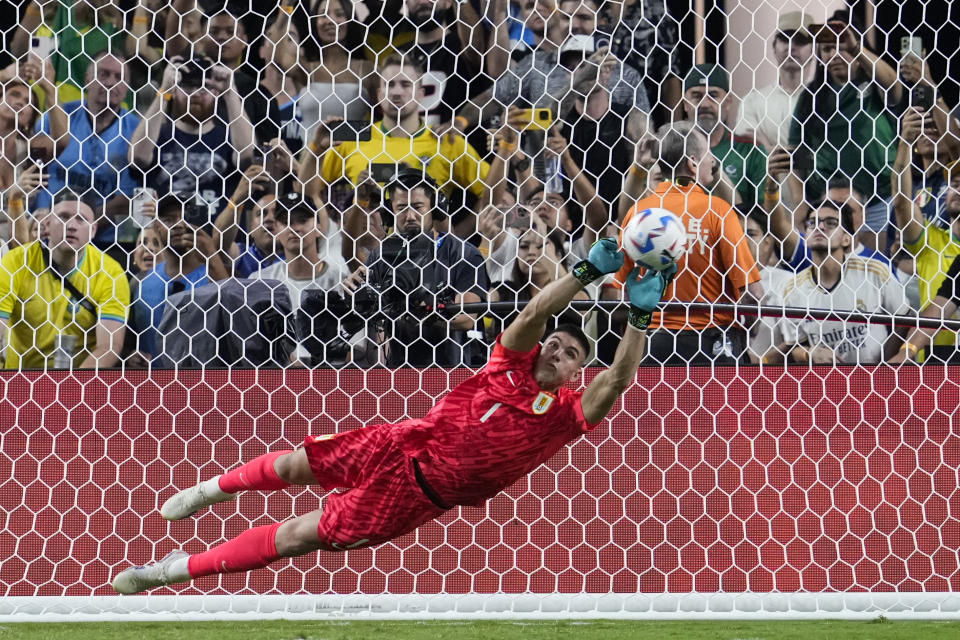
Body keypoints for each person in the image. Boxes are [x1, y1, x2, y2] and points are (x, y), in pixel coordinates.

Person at [110, 236, 675, 594]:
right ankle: (211, 490)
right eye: (556, 343)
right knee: (294, 466)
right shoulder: (511, 358)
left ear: (580, 370)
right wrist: (580, 272)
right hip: (404, 440)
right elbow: (533, 311)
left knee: (298, 536)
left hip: (418, 494)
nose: (557, 351)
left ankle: (170, 572)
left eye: (572, 353)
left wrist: (640, 319)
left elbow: (620, 379)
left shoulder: (567, 414)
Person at [613, 121, 763, 365]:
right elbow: (753, 295)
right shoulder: (718, 212)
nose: (713, 163)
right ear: (693, 163)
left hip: (654, 347)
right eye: (709, 156)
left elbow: (617, 288)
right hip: (712, 346)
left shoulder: (639, 213)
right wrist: (749, 330)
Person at [310, 55, 489, 237]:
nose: (396, 92)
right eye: (389, 85)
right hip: (363, 254)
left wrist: (458, 237)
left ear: (421, 94)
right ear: (379, 95)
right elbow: (307, 192)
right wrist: (316, 149)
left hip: (427, 257)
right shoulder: (354, 135)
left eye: (405, 85)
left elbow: (494, 191)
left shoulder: (444, 140)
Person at [341, 170, 489, 367]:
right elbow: (370, 314)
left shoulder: (464, 253)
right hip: (400, 369)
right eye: (401, 208)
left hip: (456, 369)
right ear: (390, 211)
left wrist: (417, 311)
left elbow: (466, 318)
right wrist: (356, 294)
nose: (410, 216)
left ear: (434, 208)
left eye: (418, 207)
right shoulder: (382, 255)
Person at [789, 12, 902, 249]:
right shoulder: (811, 97)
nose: (836, 54)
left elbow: (894, 85)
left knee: (872, 270)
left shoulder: (875, 84)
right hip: (828, 204)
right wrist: (800, 203)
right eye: (828, 48)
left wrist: (856, 47)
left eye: (843, 47)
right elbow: (796, 154)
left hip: (877, 199)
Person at [0, 192, 129, 369]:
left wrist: (72, 387)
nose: (71, 226)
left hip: (81, 382)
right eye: (63, 217)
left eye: (81, 219)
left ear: (93, 230)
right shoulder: (16, 262)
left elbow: (109, 346)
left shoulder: (110, 273)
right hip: (22, 381)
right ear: (46, 224)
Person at [778, 201, 909, 365]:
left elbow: (905, 321)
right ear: (805, 236)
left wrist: (882, 366)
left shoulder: (874, 271)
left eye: (831, 223)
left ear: (846, 239)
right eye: (812, 223)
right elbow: (793, 347)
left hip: (877, 377)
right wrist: (809, 354)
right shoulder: (793, 289)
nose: (820, 227)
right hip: (826, 381)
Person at [34, 52, 140, 250]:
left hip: (107, 241)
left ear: (126, 88)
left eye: (119, 77)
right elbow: (36, 171)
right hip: (47, 231)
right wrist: (44, 215)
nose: (110, 82)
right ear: (87, 80)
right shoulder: (57, 117)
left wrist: (79, 226)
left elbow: (125, 200)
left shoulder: (136, 130)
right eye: (104, 74)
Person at [130, 55, 255, 223]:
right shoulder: (157, 135)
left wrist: (230, 91)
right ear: (174, 90)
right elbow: (137, 158)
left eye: (204, 87)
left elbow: (249, 157)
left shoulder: (231, 137)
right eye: (187, 86)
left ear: (216, 92)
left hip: (217, 239)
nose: (196, 93)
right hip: (166, 237)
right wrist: (164, 90)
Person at [892, 107, 960, 363]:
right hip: (929, 365)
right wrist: (905, 145)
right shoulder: (931, 240)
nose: (958, 189)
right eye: (954, 183)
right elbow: (901, 203)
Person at [132, 193, 228, 360]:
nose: (178, 225)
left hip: (204, 380)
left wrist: (211, 255)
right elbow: (129, 341)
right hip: (152, 382)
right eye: (168, 219)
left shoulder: (217, 273)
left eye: (185, 217)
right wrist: (131, 356)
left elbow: (234, 321)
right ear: (156, 227)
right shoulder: (140, 282)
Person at [681, 64, 768, 211]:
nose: (704, 104)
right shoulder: (672, 149)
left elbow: (763, 214)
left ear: (728, 102)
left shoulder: (750, 150)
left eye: (713, 95)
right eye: (696, 96)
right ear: (685, 104)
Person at [249, 191, 348, 311]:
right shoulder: (260, 282)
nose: (294, 228)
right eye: (286, 222)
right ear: (277, 230)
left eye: (302, 220)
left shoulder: (341, 283)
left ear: (318, 227)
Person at [735, 12, 815, 149]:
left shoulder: (824, 98)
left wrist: (766, 144)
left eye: (800, 40)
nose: (791, 47)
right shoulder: (753, 101)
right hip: (766, 171)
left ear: (813, 49)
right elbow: (746, 144)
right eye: (785, 39)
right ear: (774, 47)